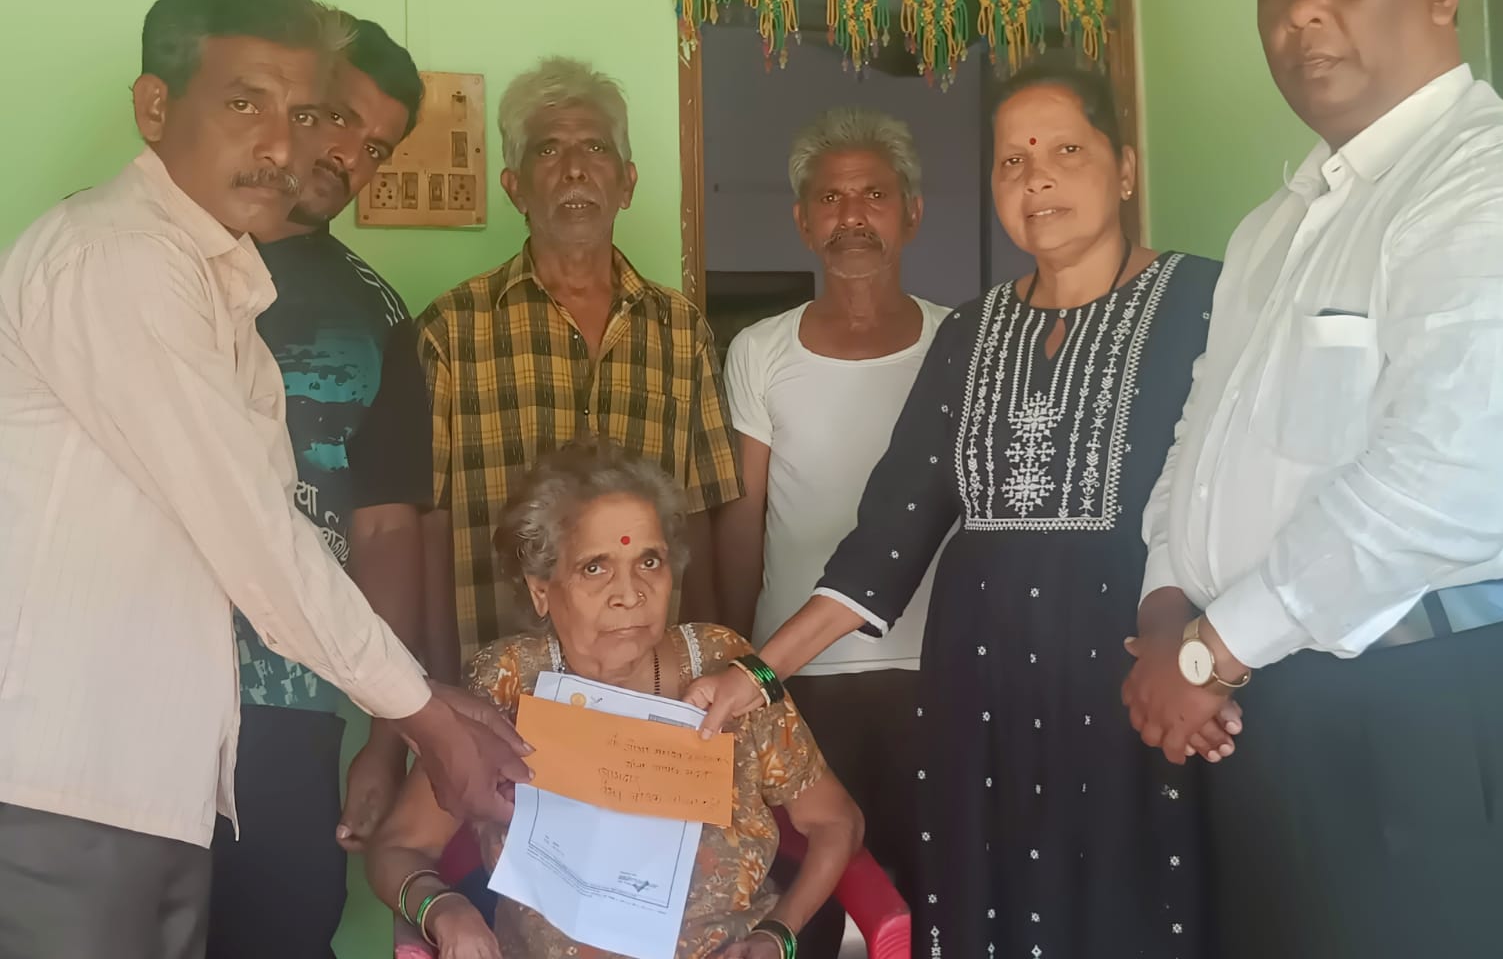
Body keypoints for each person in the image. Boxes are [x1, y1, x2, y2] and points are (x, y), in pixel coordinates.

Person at [1123, 0, 1503, 959]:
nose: (1299, 13)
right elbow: (1201, 438)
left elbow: (1445, 483)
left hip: (1423, 707)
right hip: (1264, 701)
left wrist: (1208, 650)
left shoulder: (1499, 183)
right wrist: (1163, 615)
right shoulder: (1274, 226)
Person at [0, 0, 527, 959]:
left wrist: (412, 702)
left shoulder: (225, 288)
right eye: (247, 104)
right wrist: (422, 716)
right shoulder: (117, 259)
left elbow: (309, 531)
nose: (286, 146)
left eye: (299, 112)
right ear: (155, 109)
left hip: (160, 781)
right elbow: (252, 531)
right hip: (66, 782)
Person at [689, 60, 1224, 957]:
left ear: (1126, 168)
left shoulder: (1207, 304)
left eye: (1065, 151)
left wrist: (1213, 657)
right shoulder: (970, 335)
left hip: (1140, 687)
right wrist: (758, 674)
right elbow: (886, 542)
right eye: (1013, 161)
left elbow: (1247, 499)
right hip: (982, 703)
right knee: (989, 915)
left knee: (1130, 912)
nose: (1037, 178)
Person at [367, 437, 863, 959]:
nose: (630, 594)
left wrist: (778, 934)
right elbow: (399, 846)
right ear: (541, 589)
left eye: (649, 561)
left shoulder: (725, 669)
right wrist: (445, 910)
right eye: (595, 567)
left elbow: (837, 822)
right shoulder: (506, 682)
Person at [207, 17, 435, 959]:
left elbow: (386, 535)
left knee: (284, 930)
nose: (350, 155)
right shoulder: (151, 257)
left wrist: (384, 740)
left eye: (377, 146)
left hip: (289, 705)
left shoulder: (374, 319)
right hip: (128, 686)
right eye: (339, 118)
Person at [417, 57, 742, 666]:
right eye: (548, 150)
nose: (573, 169)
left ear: (627, 182)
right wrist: (435, 681)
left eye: (595, 147)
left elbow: (701, 519)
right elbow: (427, 526)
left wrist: (704, 667)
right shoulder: (453, 328)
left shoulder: (681, 331)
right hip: (499, 676)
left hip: (648, 684)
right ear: (514, 186)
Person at [714, 106, 946, 936]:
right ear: (803, 220)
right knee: (800, 908)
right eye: (830, 198)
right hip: (796, 675)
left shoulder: (959, 343)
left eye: (874, 195)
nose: (852, 216)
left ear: (912, 212)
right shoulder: (759, 351)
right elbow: (743, 519)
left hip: (934, 672)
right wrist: (740, 660)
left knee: (933, 903)